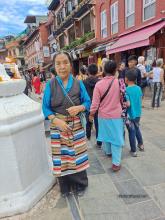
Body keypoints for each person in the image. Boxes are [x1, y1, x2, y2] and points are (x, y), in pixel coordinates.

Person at [42, 52, 91, 197]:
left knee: (77, 155)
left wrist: (79, 108)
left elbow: (88, 102)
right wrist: (55, 120)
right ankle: (65, 187)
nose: (62, 67)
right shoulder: (50, 85)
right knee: (61, 157)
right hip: (58, 127)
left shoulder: (78, 83)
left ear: (70, 64)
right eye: (58, 63)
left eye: (65, 62)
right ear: (54, 66)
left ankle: (81, 184)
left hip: (75, 126)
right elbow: (45, 107)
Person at [89, 60, 124, 172]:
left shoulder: (98, 85)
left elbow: (95, 103)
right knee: (116, 138)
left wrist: (91, 114)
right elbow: (123, 98)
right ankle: (116, 163)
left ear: (104, 70)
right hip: (116, 115)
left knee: (106, 135)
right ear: (115, 71)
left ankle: (108, 152)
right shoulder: (119, 83)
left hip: (102, 116)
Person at [125, 69, 144, 157]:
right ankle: (141, 144)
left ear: (127, 79)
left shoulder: (126, 90)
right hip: (138, 113)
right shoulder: (138, 88)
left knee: (131, 132)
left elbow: (128, 104)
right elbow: (140, 99)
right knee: (137, 129)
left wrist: (124, 103)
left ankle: (133, 150)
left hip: (130, 115)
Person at [83, 64, 102, 147]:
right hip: (98, 104)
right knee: (98, 123)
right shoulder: (99, 82)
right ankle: (99, 142)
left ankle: (88, 136)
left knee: (88, 121)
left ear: (88, 72)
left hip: (88, 104)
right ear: (97, 71)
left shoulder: (84, 82)